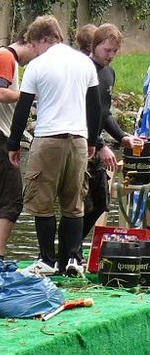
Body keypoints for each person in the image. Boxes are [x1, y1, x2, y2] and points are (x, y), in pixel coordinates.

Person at [7, 15, 101, 277]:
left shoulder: (38, 66)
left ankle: (47, 259)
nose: (33, 51)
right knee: (74, 202)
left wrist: (13, 143)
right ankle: (72, 258)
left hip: (48, 139)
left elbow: (23, 108)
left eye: (34, 45)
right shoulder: (85, 63)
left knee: (42, 202)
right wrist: (92, 141)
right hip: (78, 140)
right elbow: (95, 108)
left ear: (44, 39)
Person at [0, 33, 39, 264]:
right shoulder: (5, 57)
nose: (36, 58)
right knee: (12, 197)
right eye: (38, 51)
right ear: (30, 42)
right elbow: (0, 93)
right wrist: (31, 95)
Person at [83, 23, 144, 239]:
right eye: (106, 50)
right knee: (79, 204)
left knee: (100, 203)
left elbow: (104, 112)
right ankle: (65, 253)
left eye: (115, 51)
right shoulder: (85, 69)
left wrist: (123, 136)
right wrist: (99, 145)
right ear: (95, 46)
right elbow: (83, 112)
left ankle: (73, 249)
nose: (110, 56)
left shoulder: (109, 73)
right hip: (81, 143)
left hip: (95, 144)